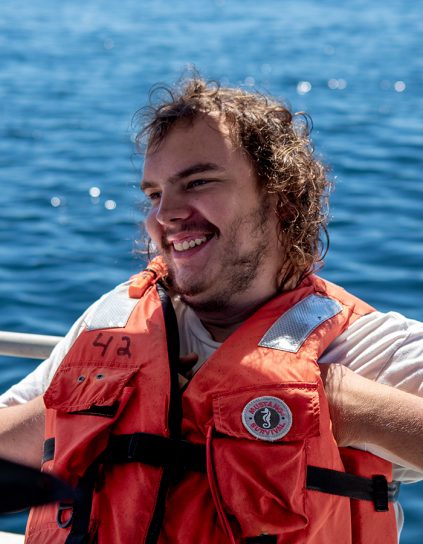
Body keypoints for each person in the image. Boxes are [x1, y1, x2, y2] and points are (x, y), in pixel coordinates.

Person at [0, 77, 422, 544]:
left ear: (280, 201)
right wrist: (88, 402)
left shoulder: (363, 348)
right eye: (155, 194)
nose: (165, 214)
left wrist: (349, 405)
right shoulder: (117, 323)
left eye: (197, 182)